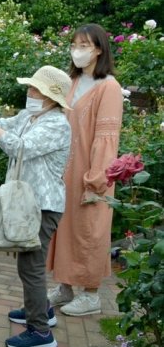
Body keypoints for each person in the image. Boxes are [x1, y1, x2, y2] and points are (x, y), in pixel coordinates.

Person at [0, 65, 72, 347]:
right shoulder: (31, 116)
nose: (29, 91)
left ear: (50, 96)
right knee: (28, 264)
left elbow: (19, 147)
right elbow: (2, 126)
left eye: (35, 88)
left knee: (31, 267)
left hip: (43, 206)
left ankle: (40, 332)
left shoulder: (57, 124)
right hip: (30, 203)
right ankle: (41, 310)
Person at [47, 24, 123, 317]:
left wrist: (96, 180)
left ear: (99, 49)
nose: (78, 50)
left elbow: (106, 139)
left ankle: (91, 295)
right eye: (75, 44)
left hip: (93, 174)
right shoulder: (74, 81)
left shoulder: (109, 87)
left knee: (89, 231)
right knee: (65, 228)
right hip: (66, 170)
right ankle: (65, 287)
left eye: (85, 45)